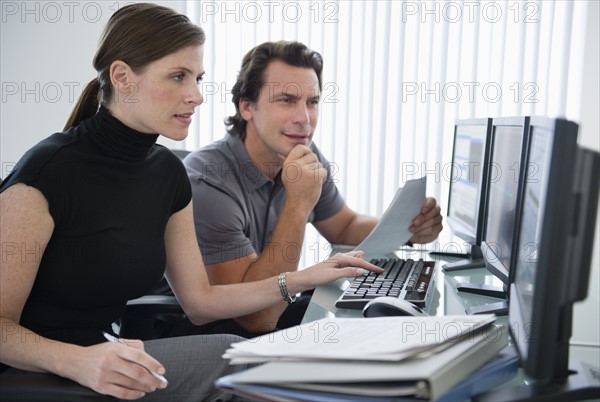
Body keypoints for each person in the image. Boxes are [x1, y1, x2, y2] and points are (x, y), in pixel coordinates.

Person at [0, 5, 382, 401]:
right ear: (122, 77)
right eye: (178, 77)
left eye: (197, 78)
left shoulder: (165, 172)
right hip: (36, 369)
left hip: (111, 355)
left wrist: (303, 278)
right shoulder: (47, 171)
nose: (197, 96)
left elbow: (201, 302)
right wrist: (75, 360)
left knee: (280, 355)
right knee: (252, 365)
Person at [175, 41, 443, 336]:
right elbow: (256, 320)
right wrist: (298, 204)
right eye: (287, 100)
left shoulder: (302, 152)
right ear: (247, 106)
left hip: (274, 311)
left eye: (312, 102)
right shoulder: (209, 179)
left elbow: (344, 227)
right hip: (215, 334)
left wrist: (409, 230)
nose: (304, 118)